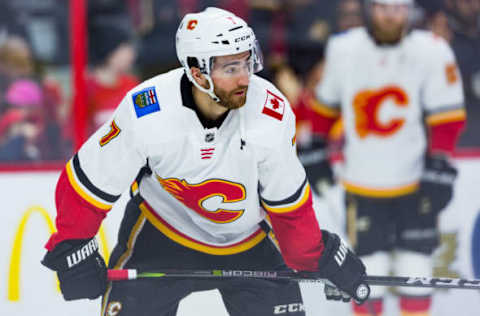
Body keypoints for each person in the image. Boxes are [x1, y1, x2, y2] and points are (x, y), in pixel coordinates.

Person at [40, 7, 369, 316]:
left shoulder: (271, 112)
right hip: (162, 232)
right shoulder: (148, 111)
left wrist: (316, 255)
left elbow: (288, 205)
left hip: (249, 238)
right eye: (230, 68)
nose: (245, 78)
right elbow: (90, 180)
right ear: (197, 73)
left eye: (246, 62)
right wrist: (73, 245)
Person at [314, 0, 466, 315]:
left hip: (415, 184)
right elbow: (324, 108)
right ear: (370, 9)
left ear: (410, 10)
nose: (390, 16)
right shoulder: (343, 48)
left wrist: (439, 162)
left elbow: (448, 116)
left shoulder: (432, 50)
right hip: (362, 184)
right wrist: (315, 147)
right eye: (383, 7)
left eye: (398, 8)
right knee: (369, 276)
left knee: (417, 272)